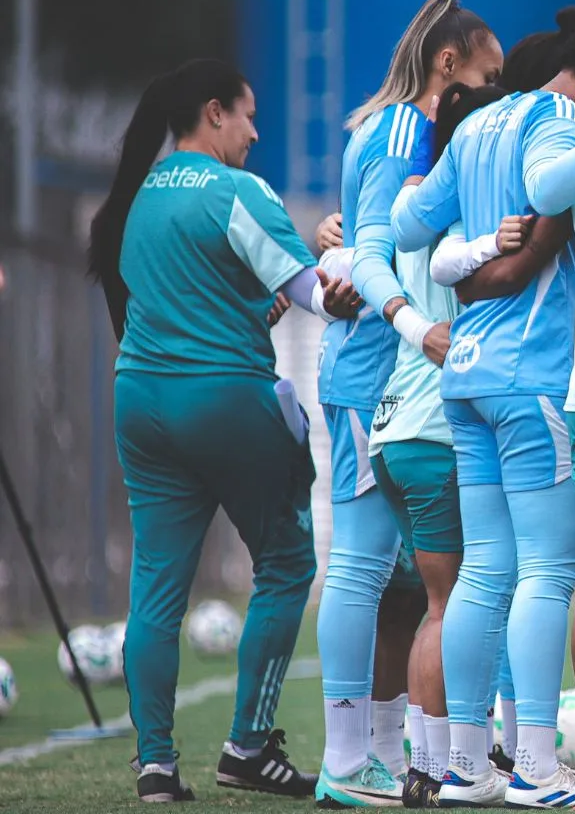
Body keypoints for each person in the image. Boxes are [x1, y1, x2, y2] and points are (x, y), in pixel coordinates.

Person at [392, 12, 575, 807]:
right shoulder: (558, 117)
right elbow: (555, 186)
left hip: (467, 376)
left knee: (485, 570)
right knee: (551, 570)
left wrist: (475, 239)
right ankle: (531, 767)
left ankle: (463, 766)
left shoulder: (482, 118)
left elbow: (409, 223)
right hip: (532, 375)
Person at [88, 59, 362, 802]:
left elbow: (191, 299)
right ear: (214, 113)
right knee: (285, 565)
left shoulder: (137, 196)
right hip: (226, 401)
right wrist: (347, 288)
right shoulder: (238, 190)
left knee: (155, 593)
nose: (256, 130)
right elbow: (306, 290)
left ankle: (154, 765)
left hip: (140, 401)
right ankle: (247, 747)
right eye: (247, 115)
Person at [315, 0, 501, 807]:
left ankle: (383, 754)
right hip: (374, 372)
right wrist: (351, 258)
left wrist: (345, 241)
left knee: (396, 583)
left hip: (385, 373)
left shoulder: (388, 130)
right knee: (359, 569)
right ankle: (347, 759)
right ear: (449, 63)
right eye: (488, 76)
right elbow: (381, 245)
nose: (492, 95)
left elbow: (361, 237)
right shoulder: (401, 133)